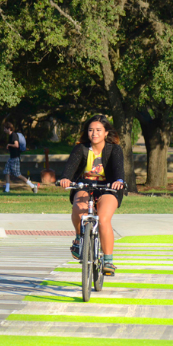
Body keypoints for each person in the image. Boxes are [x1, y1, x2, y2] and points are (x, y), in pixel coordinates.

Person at [59, 115, 125, 276]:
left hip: (108, 188)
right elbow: (70, 168)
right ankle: (79, 239)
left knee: (103, 219)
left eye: (98, 130)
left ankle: (108, 260)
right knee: (79, 210)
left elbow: (118, 170)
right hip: (84, 185)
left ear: (106, 133)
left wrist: (119, 181)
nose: (94, 133)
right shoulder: (80, 148)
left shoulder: (114, 149)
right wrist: (66, 178)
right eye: (90, 130)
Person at [3, 122, 38, 194]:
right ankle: (7, 189)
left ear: (9, 129)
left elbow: (16, 145)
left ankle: (32, 185)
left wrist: (9, 144)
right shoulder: (10, 136)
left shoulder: (14, 135)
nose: (4, 130)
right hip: (11, 157)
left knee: (17, 174)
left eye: (5, 129)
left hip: (15, 158)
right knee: (6, 171)